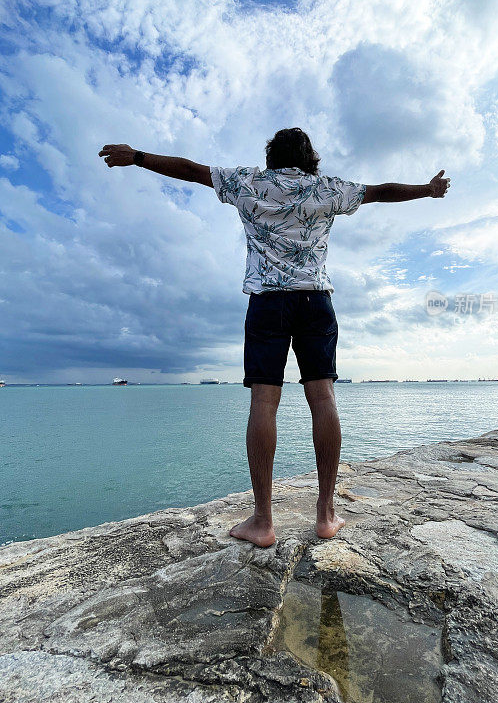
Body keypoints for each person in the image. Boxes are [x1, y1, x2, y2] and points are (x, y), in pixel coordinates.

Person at [98, 128, 450, 548]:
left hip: (267, 303)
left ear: (272, 156)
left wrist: (136, 155)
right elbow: (383, 191)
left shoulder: (249, 182)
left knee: (264, 402)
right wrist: (427, 190)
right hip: (315, 301)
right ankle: (325, 513)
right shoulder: (328, 189)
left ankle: (263, 521)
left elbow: (190, 170)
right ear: (310, 158)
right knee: (323, 398)